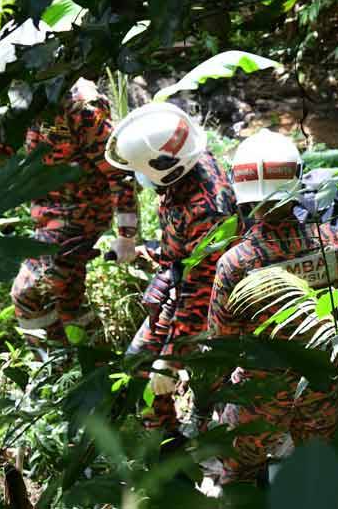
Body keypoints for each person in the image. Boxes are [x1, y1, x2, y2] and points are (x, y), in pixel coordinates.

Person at [208, 129, 338, 486]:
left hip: (259, 397)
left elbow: (222, 346)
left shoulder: (236, 263)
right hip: (323, 387)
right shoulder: (333, 245)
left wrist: (211, 400)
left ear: (242, 193)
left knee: (238, 478)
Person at [105, 102, 237, 439]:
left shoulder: (207, 210)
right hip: (185, 285)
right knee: (137, 368)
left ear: (166, 166)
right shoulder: (187, 167)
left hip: (213, 303)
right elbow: (184, 251)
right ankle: (168, 449)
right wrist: (145, 249)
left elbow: (202, 290)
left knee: (204, 387)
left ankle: (208, 453)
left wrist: (170, 360)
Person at [11, 77, 138, 344]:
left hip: (79, 217)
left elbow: (120, 172)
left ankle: (53, 366)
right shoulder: (27, 92)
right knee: (67, 299)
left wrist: (126, 236)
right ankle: (92, 361)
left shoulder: (81, 108)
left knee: (27, 292)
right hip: (48, 212)